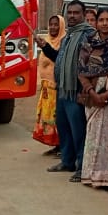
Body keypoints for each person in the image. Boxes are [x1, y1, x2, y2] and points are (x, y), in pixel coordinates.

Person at [36, 0, 96, 180]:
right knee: (64, 128)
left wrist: (85, 90)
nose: (72, 16)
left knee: (79, 131)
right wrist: (45, 47)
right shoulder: (68, 36)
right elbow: (58, 59)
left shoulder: (88, 35)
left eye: (76, 13)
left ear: (84, 14)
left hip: (76, 91)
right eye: (69, 13)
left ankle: (81, 167)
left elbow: (89, 65)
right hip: (62, 90)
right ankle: (67, 161)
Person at [77, 7, 108, 187]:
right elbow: (81, 71)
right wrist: (92, 92)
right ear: (96, 22)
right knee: (93, 134)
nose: (105, 23)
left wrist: (107, 93)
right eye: (101, 20)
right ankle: (92, 175)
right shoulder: (88, 42)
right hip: (91, 95)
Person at [33, 14, 66, 156]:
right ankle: (54, 144)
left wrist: (44, 46)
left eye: (56, 24)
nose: (53, 27)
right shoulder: (47, 40)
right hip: (46, 87)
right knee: (48, 118)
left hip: (56, 87)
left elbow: (57, 58)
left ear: (62, 26)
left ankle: (61, 145)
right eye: (51, 24)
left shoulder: (63, 42)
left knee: (56, 117)